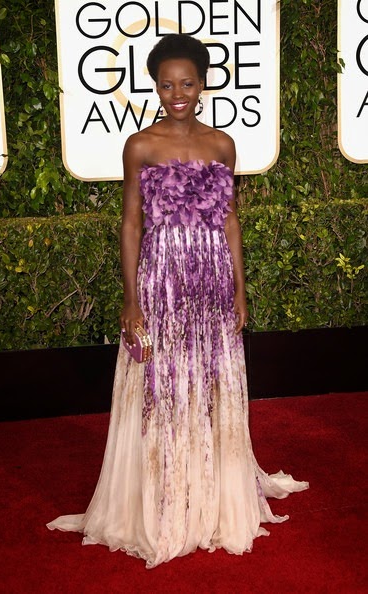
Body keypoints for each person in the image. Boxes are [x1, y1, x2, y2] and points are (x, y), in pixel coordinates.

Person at [47, 33, 308, 569]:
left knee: (210, 383)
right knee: (163, 388)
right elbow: (130, 223)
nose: (177, 93)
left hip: (212, 279)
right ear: (156, 87)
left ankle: (212, 491)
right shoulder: (140, 145)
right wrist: (130, 299)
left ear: (204, 84)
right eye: (166, 84)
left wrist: (239, 288)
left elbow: (231, 219)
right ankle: (166, 497)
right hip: (161, 280)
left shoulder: (222, 145)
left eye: (186, 83)